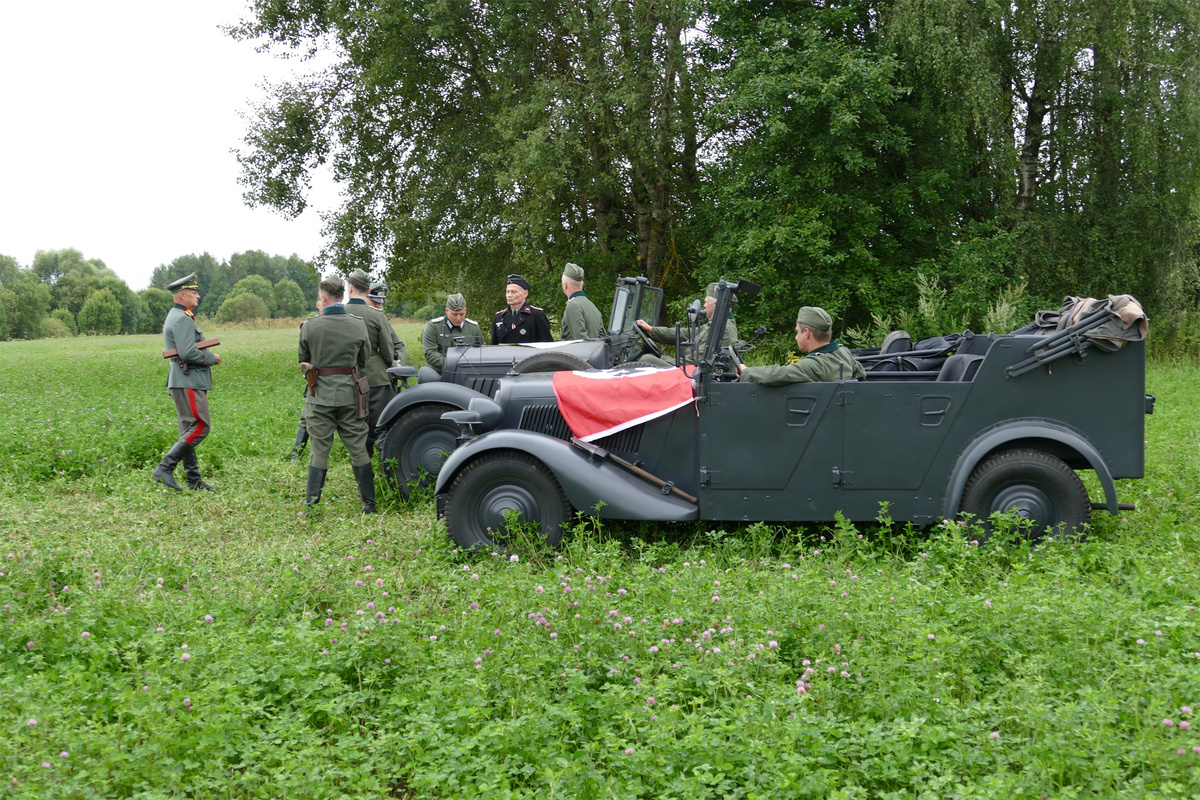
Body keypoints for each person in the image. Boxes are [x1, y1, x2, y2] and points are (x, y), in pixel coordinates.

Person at [298, 273, 376, 514]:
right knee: (358, 447)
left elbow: (303, 360)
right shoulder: (357, 324)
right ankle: (369, 504)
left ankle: (311, 505)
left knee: (319, 449)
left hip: (319, 395)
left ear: (323, 297)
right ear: (342, 296)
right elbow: (363, 359)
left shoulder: (310, 326)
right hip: (351, 396)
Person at [152, 272, 222, 492]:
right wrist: (212, 358)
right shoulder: (182, 318)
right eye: (193, 293)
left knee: (188, 430)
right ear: (182, 295)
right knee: (201, 427)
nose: (197, 297)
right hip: (188, 379)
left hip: (182, 379)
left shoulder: (178, 315)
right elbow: (188, 352)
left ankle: (194, 480)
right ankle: (164, 468)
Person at [345, 268, 399, 457]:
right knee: (382, 425)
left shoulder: (338, 313)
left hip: (344, 377)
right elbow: (387, 350)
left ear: (349, 288)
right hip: (375, 378)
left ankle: (360, 459)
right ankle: (386, 462)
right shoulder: (376, 315)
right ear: (368, 291)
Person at [739, 306, 866, 385]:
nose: (795, 337)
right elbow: (861, 374)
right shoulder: (843, 352)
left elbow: (779, 374)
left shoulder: (814, 365)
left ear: (807, 333)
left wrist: (747, 371)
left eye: (797, 332)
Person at [636, 283, 738, 365]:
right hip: (695, 373)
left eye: (706, 302)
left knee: (646, 360)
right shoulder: (717, 324)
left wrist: (663, 358)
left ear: (715, 305)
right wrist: (652, 330)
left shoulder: (722, 329)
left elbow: (697, 361)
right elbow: (685, 333)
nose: (704, 305)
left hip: (695, 376)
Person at [423, 292, 485, 374]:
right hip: (440, 374)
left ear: (465, 310)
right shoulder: (434, 327)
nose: (458, 318)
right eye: (454, 314)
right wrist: (455, 364)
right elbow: (430, 354)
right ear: (446, 311)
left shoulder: (473, 328)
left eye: (462, 314)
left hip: (467, 374)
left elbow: (481, 353)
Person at [491, 273, 552, 344]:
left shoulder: (536, 316)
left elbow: (547, 346)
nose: (509, 295)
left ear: (525, 293)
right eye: (507, 292)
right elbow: (494, 347)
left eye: (513, 292)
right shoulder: (499, 317)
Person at [559, 262, 603, 340]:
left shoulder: (573, 306)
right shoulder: (592, 306)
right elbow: (602, 339)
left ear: (564, 285)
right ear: (582, 284)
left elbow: (581, 343)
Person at [368, 279, 407, 366]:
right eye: (374, 301)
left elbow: (398, 345)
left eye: (380, 302)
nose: (378, 305)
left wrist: (399, 364)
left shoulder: (382, 319)